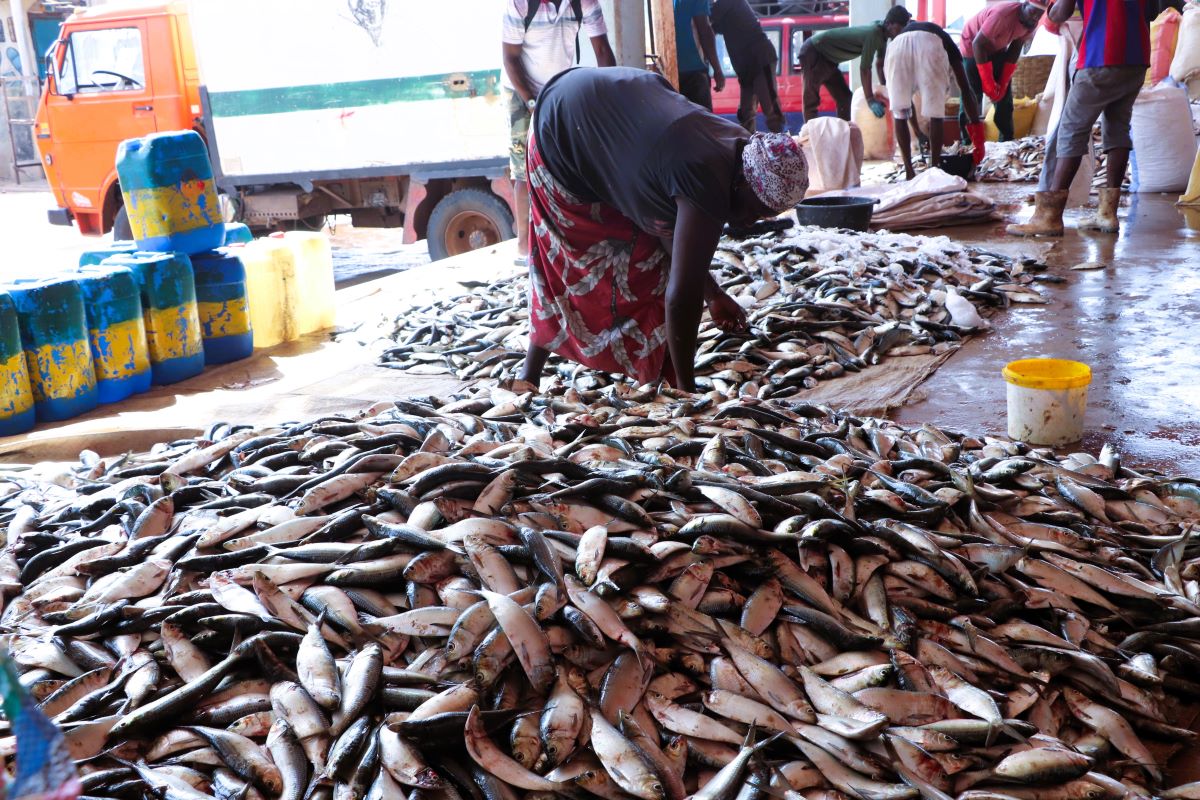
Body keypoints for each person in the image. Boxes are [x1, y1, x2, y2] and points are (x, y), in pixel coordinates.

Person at [517, 67, 808, 392]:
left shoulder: (739, 145)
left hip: (593, 103)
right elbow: (680, 297)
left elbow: (670, 231)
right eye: (755, 211)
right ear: (744, 183)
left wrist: (713, 295)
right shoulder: (707, 180)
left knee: (649, 254)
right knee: (578, 267)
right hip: (559, 134)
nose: (750, 222)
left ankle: (647, 377)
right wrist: (688, 392)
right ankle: (531, 373)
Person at [1008, 0, 1149, 236]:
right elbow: (1152, 12)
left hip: (1101, 54)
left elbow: (1060, 13)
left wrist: (1049, 8)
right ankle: (1107, 214)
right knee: (1117, 128)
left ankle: (1049, 216)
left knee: (1071, 130)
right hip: (1137, 57)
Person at [502, 0, 616, 264]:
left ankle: (563, 238)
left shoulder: (583, 2)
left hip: (558, 86)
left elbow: (602, 50)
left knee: (564, 162)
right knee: (524, 166)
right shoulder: (520, 4)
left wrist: (611, 97)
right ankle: (523, 247)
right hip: (520, 91)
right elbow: (510, 58)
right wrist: (532, 102)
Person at [885, 18, 985, 179]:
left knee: (900, 112)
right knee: (935, 114)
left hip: (896, 48)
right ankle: (935, 169)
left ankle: (909, 172)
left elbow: (906, 106)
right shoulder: (945, 39)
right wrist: (977, 132)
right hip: (929, 45)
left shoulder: (901, 35)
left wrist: (917, 131)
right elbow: (965, 89)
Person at [796, 6, 912, 126]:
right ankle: (810, 137)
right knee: (811, 101)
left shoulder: (883, 36)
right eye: (901, 26)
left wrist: (886, 89)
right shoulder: (874, 34)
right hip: (814, 51)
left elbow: (880, 64)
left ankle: (846, 135)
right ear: (889, 23)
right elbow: (865, 69)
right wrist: (870, 99)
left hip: (829, 59)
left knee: (845, 99)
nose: (902, 31)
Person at [958, 0, 1046, 143]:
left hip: (997, 49)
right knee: (972, 95)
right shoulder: (1002, 15)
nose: (1034, 18)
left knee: (1004, 98)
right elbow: (978, 44)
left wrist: (1003, 81)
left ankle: (1006, 140)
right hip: (972, 47)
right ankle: (967, 142)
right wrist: (988, 82)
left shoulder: (1031, 23)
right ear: (1024, 5)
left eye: (1039, 15)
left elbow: (1016, 46)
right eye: (1032, 12)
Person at [710, 0, 784, 132]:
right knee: (745, 113)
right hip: (745, 66)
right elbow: (711, 28)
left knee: (771, 110)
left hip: (760, 59)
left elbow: (705, 21)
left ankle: (781, 148)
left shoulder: (725, 3)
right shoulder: (722, 8)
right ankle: (750, 147)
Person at [674, 0, 726, 109]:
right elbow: (704, 30)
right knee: (702, 122)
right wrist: (717, 70)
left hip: (666, 72)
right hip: (693, 71)